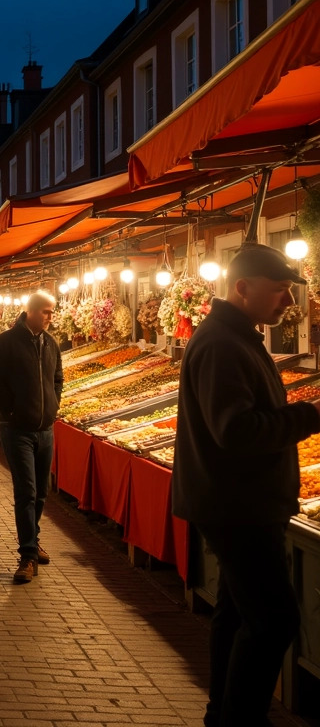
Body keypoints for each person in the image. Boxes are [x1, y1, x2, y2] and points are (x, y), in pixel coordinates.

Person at [172, 244, 320, 727]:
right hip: (240, 507)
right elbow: (235, 431)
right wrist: (309, 416)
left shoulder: (236, 337)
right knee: (275, 620)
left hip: (240, 501)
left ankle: (223, 714)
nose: (286, 303)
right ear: (242, 288)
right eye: (278, 291)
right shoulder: (221, 344)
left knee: (235, 615)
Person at [0, 291, 62, 584]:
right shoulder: (7, 341)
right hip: (17, 430)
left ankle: (33, 537)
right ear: (30, 311)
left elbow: (57, 378)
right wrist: (12, 411)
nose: (50, 317)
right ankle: (27, 555)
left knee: (42, 491)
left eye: (52, 312)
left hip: (45, 429)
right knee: (26, 491)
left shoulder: (51, 343)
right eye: (46, 312)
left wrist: (53, 405)